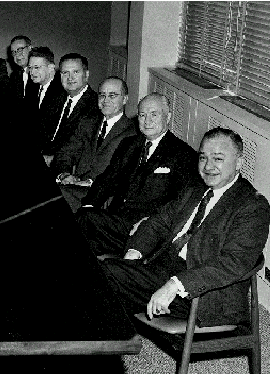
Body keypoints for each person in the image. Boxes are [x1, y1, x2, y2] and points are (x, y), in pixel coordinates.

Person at [50, 127, 270, 374]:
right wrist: (134, 253)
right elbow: (157, 222)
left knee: (100, 278)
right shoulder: (196, 190)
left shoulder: (253, 206)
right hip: (161, 268)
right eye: (203, 158)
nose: (208, 167)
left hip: (201, 296)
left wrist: (176, 285)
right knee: (97, 274)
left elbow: (234, 263)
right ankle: (75, 358)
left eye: (218, 159)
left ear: (239, 162)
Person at [75, 92, 199, 257]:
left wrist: (149, 222)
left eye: (154, 114)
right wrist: (89, 205)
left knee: (82, 225)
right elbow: (107, 180)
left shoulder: (183, 155)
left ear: (167, 117)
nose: (147, 120)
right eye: (142, 115)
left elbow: (180, 205)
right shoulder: (129, 145)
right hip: (115, 221)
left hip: (145, 231)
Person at [55, 77, 137, 211]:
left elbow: (122, 175)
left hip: (102, 195)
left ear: (125, 99)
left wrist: (88, 182)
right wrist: (64, 174)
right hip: (74, 187)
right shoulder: (88, 123)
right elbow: (66, 152)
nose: (106, 101)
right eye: (102, 95)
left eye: (112, 95)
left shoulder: (132, 132)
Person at [41, 53, 100, 167]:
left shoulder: (96, 105)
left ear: (86, 75)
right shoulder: (54, 100)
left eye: (76, 72)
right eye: (65, 73)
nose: (70, 78)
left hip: (68, 169)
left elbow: (84, 148)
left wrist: (53, 160)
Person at [6, 35, 35, 105]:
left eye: (20, 50)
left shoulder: (40, 73)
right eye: (14, 52)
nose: (17, 55)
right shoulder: (14, 76)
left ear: (30, 48)